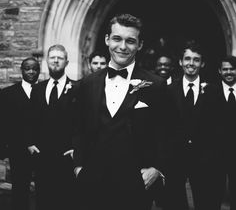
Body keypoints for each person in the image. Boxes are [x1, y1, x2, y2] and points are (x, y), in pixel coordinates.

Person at [72, 13, 168, 210]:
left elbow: (170, 132)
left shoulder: (155, 85)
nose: (123, 47)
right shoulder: (87, 83)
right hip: (92, 182)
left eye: (130, 41)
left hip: (135, 184)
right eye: (117, 38)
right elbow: (78, 127)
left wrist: (157, 168)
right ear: (107, 39)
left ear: (139, 45)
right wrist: (78, 167)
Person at [163, 39, 223, 210]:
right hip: (175, 160)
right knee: (174, 204)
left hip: (205, 161)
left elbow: (218, 127)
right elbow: (163, 126)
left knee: (206, 203)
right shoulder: (168, 90)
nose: (191, 63)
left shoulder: (214, 91)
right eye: (187, 59)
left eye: (196, 59)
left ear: (202, 63)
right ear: (180, 62)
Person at [27, 44, 77, 210]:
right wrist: (30, 143)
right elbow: (31, 119)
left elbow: (82, 121)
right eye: (52, 57)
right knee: (43, 202)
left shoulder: (78, 88)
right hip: (43, 158)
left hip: (67, 158)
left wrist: (77, 148)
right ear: (47, 61)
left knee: (67, 201)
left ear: (66, 62)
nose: (56, 61)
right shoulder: (37, 89)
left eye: (60, 58)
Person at [1, 57, 40, 210]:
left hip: (41, 151)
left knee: (42, 191)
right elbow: (3, 123)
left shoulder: (44, 91)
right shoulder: (7, 94)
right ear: (21, 70)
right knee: (19, 190)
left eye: (35, 68)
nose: (31, 71)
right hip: (18, 151)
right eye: (27, 68)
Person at [216, 55, 236, 210]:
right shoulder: (210, 92)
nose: (229, 72)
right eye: (225, 69)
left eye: (232, 69)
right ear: (220, 71)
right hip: (218, 153)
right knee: (214, 194)